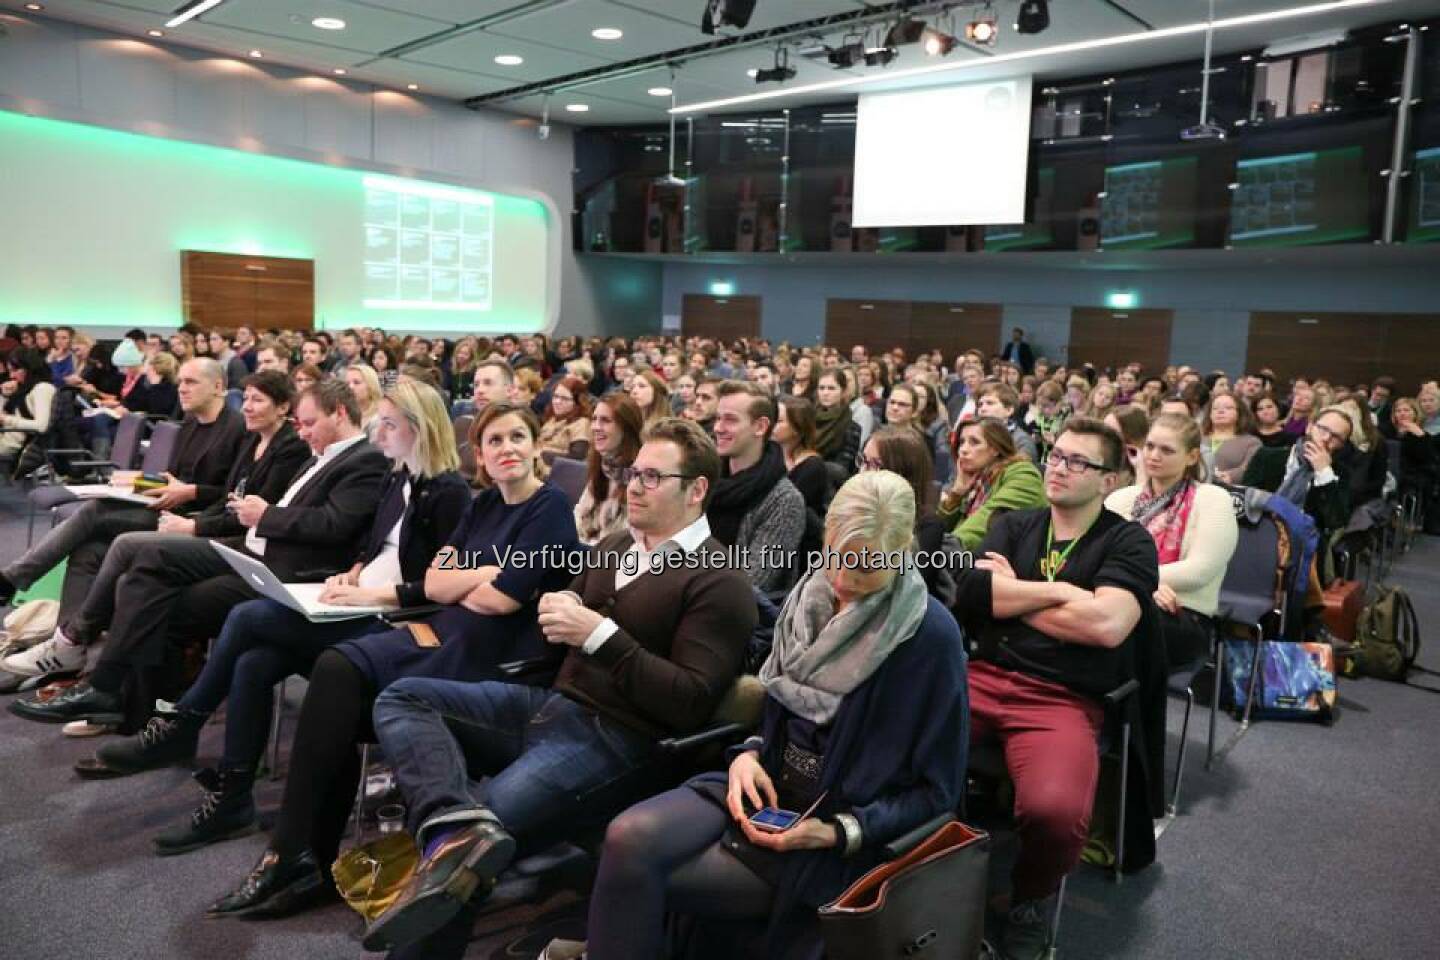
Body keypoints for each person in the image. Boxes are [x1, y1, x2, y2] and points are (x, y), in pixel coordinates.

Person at [359, 418, 758, 958]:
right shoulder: (617, 544)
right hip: (550, 706)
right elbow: (562, 621)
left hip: (621, 739)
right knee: (405, 696)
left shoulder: (719, 579)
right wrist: (552, 609)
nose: (634, 486)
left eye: (652, 477)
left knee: (478, 847)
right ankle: (452, 820)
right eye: (633, 473)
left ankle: (455, 849)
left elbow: (688, 702)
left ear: (697, 490)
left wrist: (602, 636)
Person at [542, 470, 969, 960]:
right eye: (836, 558)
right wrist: (747, 754)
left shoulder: (930, 638)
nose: (843, 582)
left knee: (643, 876)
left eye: (866, 569)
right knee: (626, 836)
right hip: (764, 781)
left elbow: (939, 792)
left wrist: (840, 831)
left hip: (832, 829)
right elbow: (776, 719)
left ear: (901, 556)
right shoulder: (809, 597)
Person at [204, 402, 578, 919]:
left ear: (537, 445)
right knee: (335, 700)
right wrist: (485, 573)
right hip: (441, 632)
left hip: (491, 657)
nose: (507, 449)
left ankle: (293, 856)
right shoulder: (485, 504)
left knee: (335, 676)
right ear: (482, 455)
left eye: (518, 437)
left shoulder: (550, 506)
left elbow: (502, 602)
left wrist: (474, 580)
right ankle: (302, 855)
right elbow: (439, 578)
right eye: (494, 441)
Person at [86, 381, 471, 858]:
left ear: (419, 427)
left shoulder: (450, 492)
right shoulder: (398, 477)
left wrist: (375, 592)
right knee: (253, 663)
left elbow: (446, 586)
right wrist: (353, 574)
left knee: (249, 617)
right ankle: (232, 797)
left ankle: (184, 722)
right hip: (359, 598)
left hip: (398, 620)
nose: (379, 432)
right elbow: (371, 547)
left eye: (389, 424)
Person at [8, 380, 389, 726]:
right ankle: (122, 696)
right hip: (251, 548)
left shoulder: (362, 459)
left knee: (144, 566)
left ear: (339, 413)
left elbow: (334, 524)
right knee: (138, 574)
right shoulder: (316, 453)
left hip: (281, 569)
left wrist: (266, 515)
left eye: (309, 423)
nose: (302, 431)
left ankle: (111, 687)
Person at [953, 418, 1160, 960]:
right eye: (1055, 455)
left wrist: (1013, 598)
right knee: (892, 729)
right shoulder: (1016, 523)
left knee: (1054, 812)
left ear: (1110, 480)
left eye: (1077, 462)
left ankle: (1029, 899)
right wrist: (1063, 592)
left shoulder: (1129, 542)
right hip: (983, 675)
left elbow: (1106, 627)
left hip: (1063, 698)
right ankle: (908, 863)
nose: (1058, 468)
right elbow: (975, 594)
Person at [0, 358, 245, 632]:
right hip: (166, 504)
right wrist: (139, 480)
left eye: (191, 382)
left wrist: (192, 492)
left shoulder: (237, 429)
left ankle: (13, 579)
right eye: (181, 382)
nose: (182, 389)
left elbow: (233, 495)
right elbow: (172, 477)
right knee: (88, 552)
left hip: (193, 518)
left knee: (95, 511)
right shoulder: (190, 422)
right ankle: (67, 640)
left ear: (218, 386)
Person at [1107, 413, 1237, 667]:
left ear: (1191, 457)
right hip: (1119, 597)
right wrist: (1144, 587)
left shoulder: (1213, 499)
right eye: (1150, 446)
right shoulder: (1121, 499)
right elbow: (1097, 556)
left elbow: (1199, 570)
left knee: (1119, 627)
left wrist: (1140, 582)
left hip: (1183, 615)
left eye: (1167, 450)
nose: (1154, 456)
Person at [710, 382, 806, 594]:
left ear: (760, 427)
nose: (718, 427)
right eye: (718, 418)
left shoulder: (785, 500)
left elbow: (751, 585)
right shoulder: (704, 479)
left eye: (730, 420)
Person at [1242, 405, 1354, 540]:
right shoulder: (1268, 457)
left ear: (1341, 445)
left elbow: (1335, 522)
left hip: (1306, 543)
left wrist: (1324, 472)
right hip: (1259, 532)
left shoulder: (1339, 474)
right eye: (1323, 429)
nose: (1326, 438)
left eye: (1335, 437)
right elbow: (1245, 497)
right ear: (1309, 427)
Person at [938, 418, 1046, 552]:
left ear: (995, 448)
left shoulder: (1023, 475)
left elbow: (984, 523)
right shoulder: (978, 479)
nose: (963, 450)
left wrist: (939, 552)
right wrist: (956, 494)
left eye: (974, 442)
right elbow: (938, 530)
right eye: (961, 442)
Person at [574, 392, 644, 546]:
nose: (595, 427)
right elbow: (579, 516)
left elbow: (626, 543)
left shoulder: (642, 478)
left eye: (605, 420)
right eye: (594, 419)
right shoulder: (603, 466)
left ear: (626, 428)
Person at [0, 347, 58, 472]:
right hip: (6, 441)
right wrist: (4, 396)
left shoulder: (42, 389)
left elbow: (41, 426)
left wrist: (7, 419)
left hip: (13, 446)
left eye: (15, 370)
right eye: (10, 371)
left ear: (29, 367)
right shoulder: (25, 389)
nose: (11, 376)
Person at [775, 396, 830, 516]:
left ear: (797, 428)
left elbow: (789, 509)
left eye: (778, 421)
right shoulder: (769, 456)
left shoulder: (812, 467)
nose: (771, 425)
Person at [1201, 392, 1261, 485]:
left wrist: (1230, 476)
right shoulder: (1197, 438)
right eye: (1215, 408)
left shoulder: (1251, 442)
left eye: (1228, 408)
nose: (1220, 411)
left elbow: (1249, 468)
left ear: (1239, 413)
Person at [976, 382, 1039, 463]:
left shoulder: (1022, 442)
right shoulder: (975, 436)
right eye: (980, 404)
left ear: (1008, 410)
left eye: (990, 403)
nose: (982, 409)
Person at [814, 369, 860, 473]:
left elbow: (843, 468)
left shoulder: (852, 428)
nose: (825, 393)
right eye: (821, 388)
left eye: (831, 388)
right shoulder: (808, 418)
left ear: (843, 391)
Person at [538, 375, 592, 461]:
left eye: (564, 398)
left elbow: (577, 456)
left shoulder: (582, 423)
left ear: (577, 402)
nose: (557, 402)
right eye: (555, 396)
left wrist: (543, 454)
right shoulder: (552, 418)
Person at [1103, 405, 1151, 487]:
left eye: (1111, 432)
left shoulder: (1145, 468)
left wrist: (1140, 468)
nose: (1103, 435)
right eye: (1103, 426)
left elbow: (1142, 498)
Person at [345, 363, 383, 438]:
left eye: (356, 382)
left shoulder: (380, 417)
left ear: (370, 386)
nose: (350, 387)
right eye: (347, 383)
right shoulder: (344, 414)